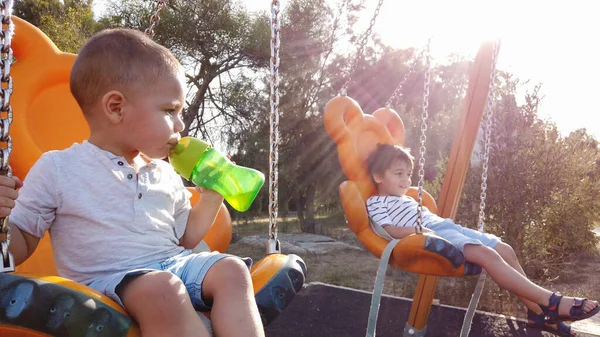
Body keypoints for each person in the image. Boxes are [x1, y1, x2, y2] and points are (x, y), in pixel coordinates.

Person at [0, 28, 264, 337]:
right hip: (106, 281)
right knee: (162, 289)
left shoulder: (164, 173)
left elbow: (187, 238)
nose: (181, 124)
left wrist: (213, 194)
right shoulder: (59, 168)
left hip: (174, 264)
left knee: (232, 270)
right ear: (116, 107)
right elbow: (21, 241)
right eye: (170, 110)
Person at [366, 143, 599, 336]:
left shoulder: (406, 197)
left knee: (505, 250)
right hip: (431, 231)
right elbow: (390, 230)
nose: (406, 180)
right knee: (488, 256)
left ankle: (538, 313)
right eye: (398, 174)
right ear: (378, 176)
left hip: (444, 225)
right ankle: (552, 302)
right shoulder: (376, 202)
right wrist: (422, 233)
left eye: (408, 174)